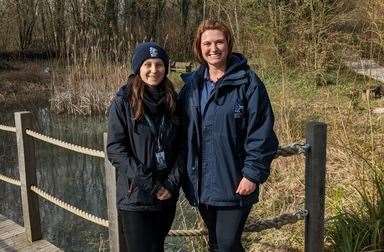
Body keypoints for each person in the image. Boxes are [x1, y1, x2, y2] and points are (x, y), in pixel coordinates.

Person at [178, 20, 279, 252]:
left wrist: (252, 174)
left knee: (227, 245)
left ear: (228, 44)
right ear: (198, 47)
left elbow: (261, 132)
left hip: (234, 182)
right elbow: (180, 132)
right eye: (207, 43)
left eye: (219, 42)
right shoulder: (191, 87)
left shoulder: (248, 83)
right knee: (216, 244)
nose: (213, 49)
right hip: (201, 185)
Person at [107, 42, 181, 252]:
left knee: (157, 248)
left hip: (166, 196)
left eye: (159, 64)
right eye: (147, 64)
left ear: (165, 68)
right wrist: (153, 186)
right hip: (136, 197)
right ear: (138, 68)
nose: (153, 70)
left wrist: (170, 184)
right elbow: (116, 149)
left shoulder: (173, 101)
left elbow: (183, 148)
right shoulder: (123, 101)